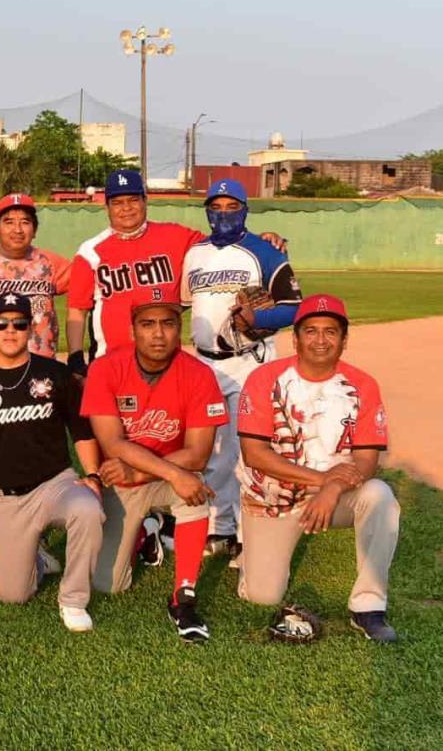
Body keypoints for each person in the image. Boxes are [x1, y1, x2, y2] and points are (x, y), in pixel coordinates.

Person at [237, 294, 399, 642]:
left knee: (379, 495)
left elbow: (367, 459)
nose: (321, 340)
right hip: (274, 496)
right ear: (295, 338)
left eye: (331, 331)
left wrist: (331, 489)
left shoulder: (363, 385)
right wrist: (323, 479)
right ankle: (249, 555)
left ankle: (368, 607)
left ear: (344, 339)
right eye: (311, 331)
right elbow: (255, 454)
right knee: (263, 595)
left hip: (335, 496)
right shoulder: (265, 379)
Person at [80, 291, 228, 643]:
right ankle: (148, 530)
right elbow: (113, 443)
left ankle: (184, 594)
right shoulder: (105, 368)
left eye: (168, 323)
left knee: (194, 488)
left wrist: (148, 473)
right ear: (133, 330)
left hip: (158, 475)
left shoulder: (199, 375)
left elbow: (198, 454)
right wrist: (162, 472)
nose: (158, 334)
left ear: (180, 330)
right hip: (124, 482)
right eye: (147, 324)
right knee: (109, 585)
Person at [0, 293, 104, 632]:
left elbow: (80, 431)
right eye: (1, 323)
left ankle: (73, 599)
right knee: (13, 594)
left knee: (88, 508)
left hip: (55, 484)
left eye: (18, 323)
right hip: (5, 498)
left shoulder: (55, 374)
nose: (10, 330)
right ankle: (35, 556)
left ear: (30, 327)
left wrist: (91, 474)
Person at [180, 179, 302, 559]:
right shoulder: (194, 253)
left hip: (250, 360)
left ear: (246, 209)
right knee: (212, 447)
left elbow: (295, 305)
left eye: (232, 206)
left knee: (250, 446)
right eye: (217, 206)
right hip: (203, 362)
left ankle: (250, 534)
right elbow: (183, 303)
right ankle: (220, 529)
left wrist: (259, 316)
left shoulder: (264, 250)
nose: (224, 213)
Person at [66, 169, 288, 375]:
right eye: (117, 202)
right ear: (107, 207)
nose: (126, 208)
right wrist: (76, 357)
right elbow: (77, 310)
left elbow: (223, 242)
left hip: (167, 360)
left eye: (134, 200)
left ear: (145, 201)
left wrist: (261, 239)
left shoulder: (176, 236)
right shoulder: (90, 252)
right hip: (111, 361)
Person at [0, 193, 72, 358]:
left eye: (25, 222)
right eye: (9, 222)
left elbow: (88, 287)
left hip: (42, 364)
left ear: (35, 230)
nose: (17, 230)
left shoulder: (52, 263)